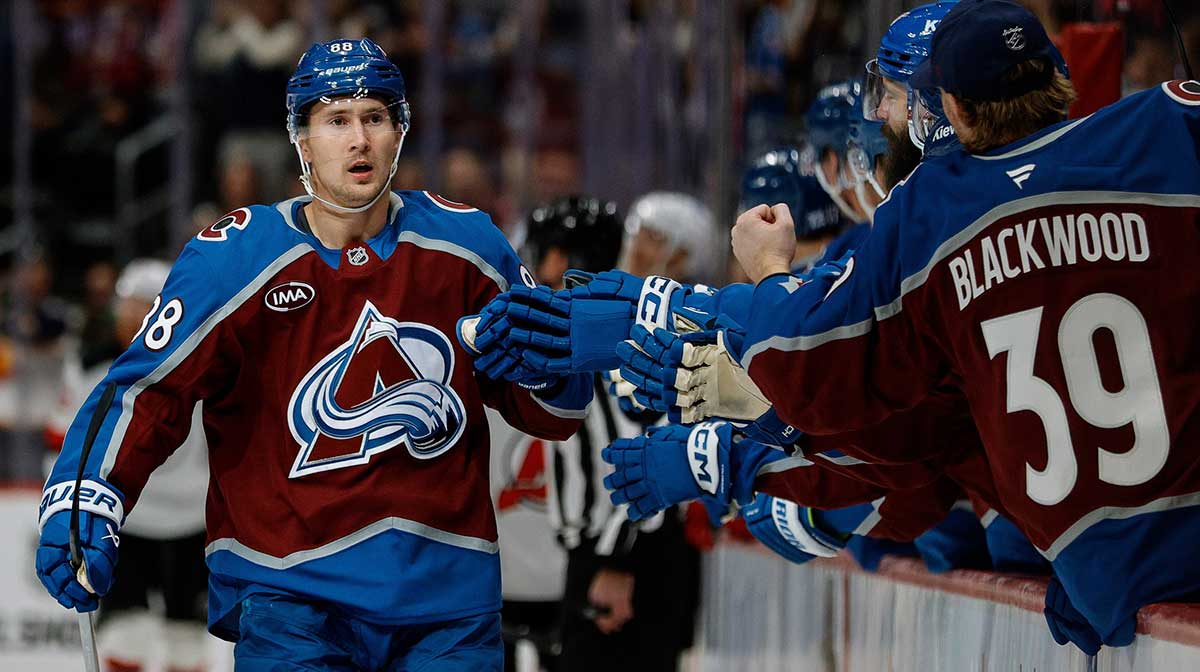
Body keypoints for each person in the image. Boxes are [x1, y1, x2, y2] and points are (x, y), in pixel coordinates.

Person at [36, 38, 591, 671]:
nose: (359, 140)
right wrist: (85, 491)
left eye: (375, 118)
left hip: (446, 599)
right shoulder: (233, 259)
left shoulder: (467, 244)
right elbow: (146, 391)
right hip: (291, 598)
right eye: (336, 119)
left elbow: (551, 413)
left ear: (400, 131)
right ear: (301, 137)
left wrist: (554, 361)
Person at [728, 0, 1200, 652]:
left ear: (950, 109)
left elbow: (808, 369)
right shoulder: (1167, 124)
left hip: (1099, 569)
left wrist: (769, 273)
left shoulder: (929, 209)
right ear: (1055, 78)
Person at [46, 259, 210, 672]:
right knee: (125, 634)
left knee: (187, 638)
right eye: (129, 304)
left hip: (192, 520)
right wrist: (67, 503)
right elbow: (64, 440)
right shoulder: (92, 366)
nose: (134, 315)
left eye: (145, 304)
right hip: (122, 519)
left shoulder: (207, 361)